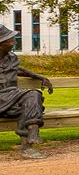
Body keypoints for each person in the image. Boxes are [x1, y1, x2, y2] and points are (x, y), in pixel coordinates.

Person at [0, 24, 52, 160]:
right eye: (11, 40)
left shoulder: (12, 58)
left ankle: (28, 146)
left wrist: (39, 77)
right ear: (1, 43)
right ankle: (32, 136)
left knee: (31, 99)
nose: (14, 42)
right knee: (29, 95)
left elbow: (18, 70)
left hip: (12, 102)